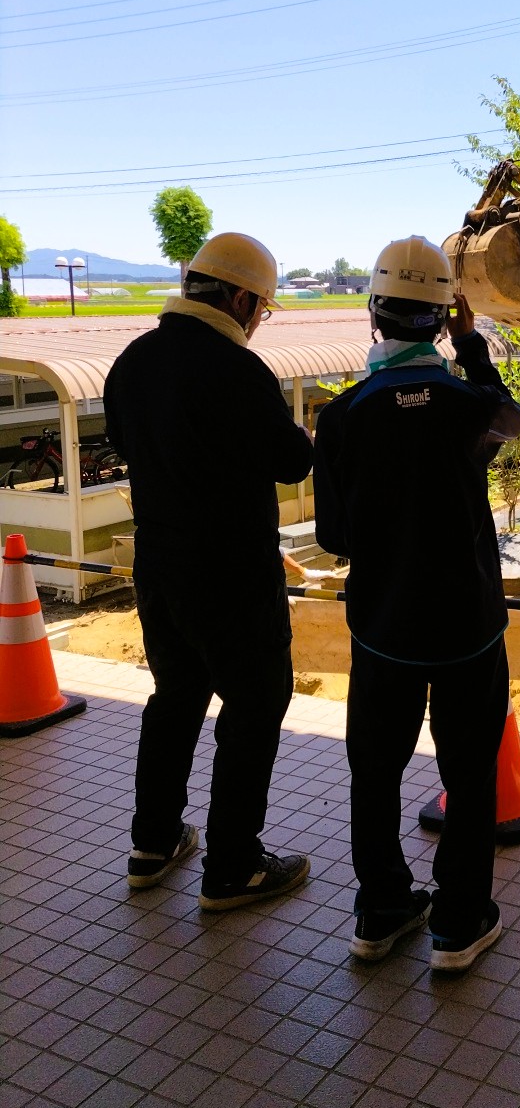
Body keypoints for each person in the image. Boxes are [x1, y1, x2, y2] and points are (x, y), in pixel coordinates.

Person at [313, 236, 520, 972]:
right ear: (444, 318)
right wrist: (473, 348)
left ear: (374, 313)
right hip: (468, 627)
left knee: (375, 771)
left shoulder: (342, 417)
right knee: (469, 773)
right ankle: (459, 925)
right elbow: (510, 417)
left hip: (384, 629)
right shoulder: (472, 406)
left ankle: (381, 913)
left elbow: (334, 538)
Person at [104, 232, 314, 910]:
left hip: (159, 567)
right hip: (232, 574)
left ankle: (153, 842)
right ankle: (233, 868)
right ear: (240, 298)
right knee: (253, 708)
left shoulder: (133, 361)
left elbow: (122, 440)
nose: (259, 322)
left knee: (175, 698)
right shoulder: (237, 370)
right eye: (263, 309)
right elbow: (292, 462)